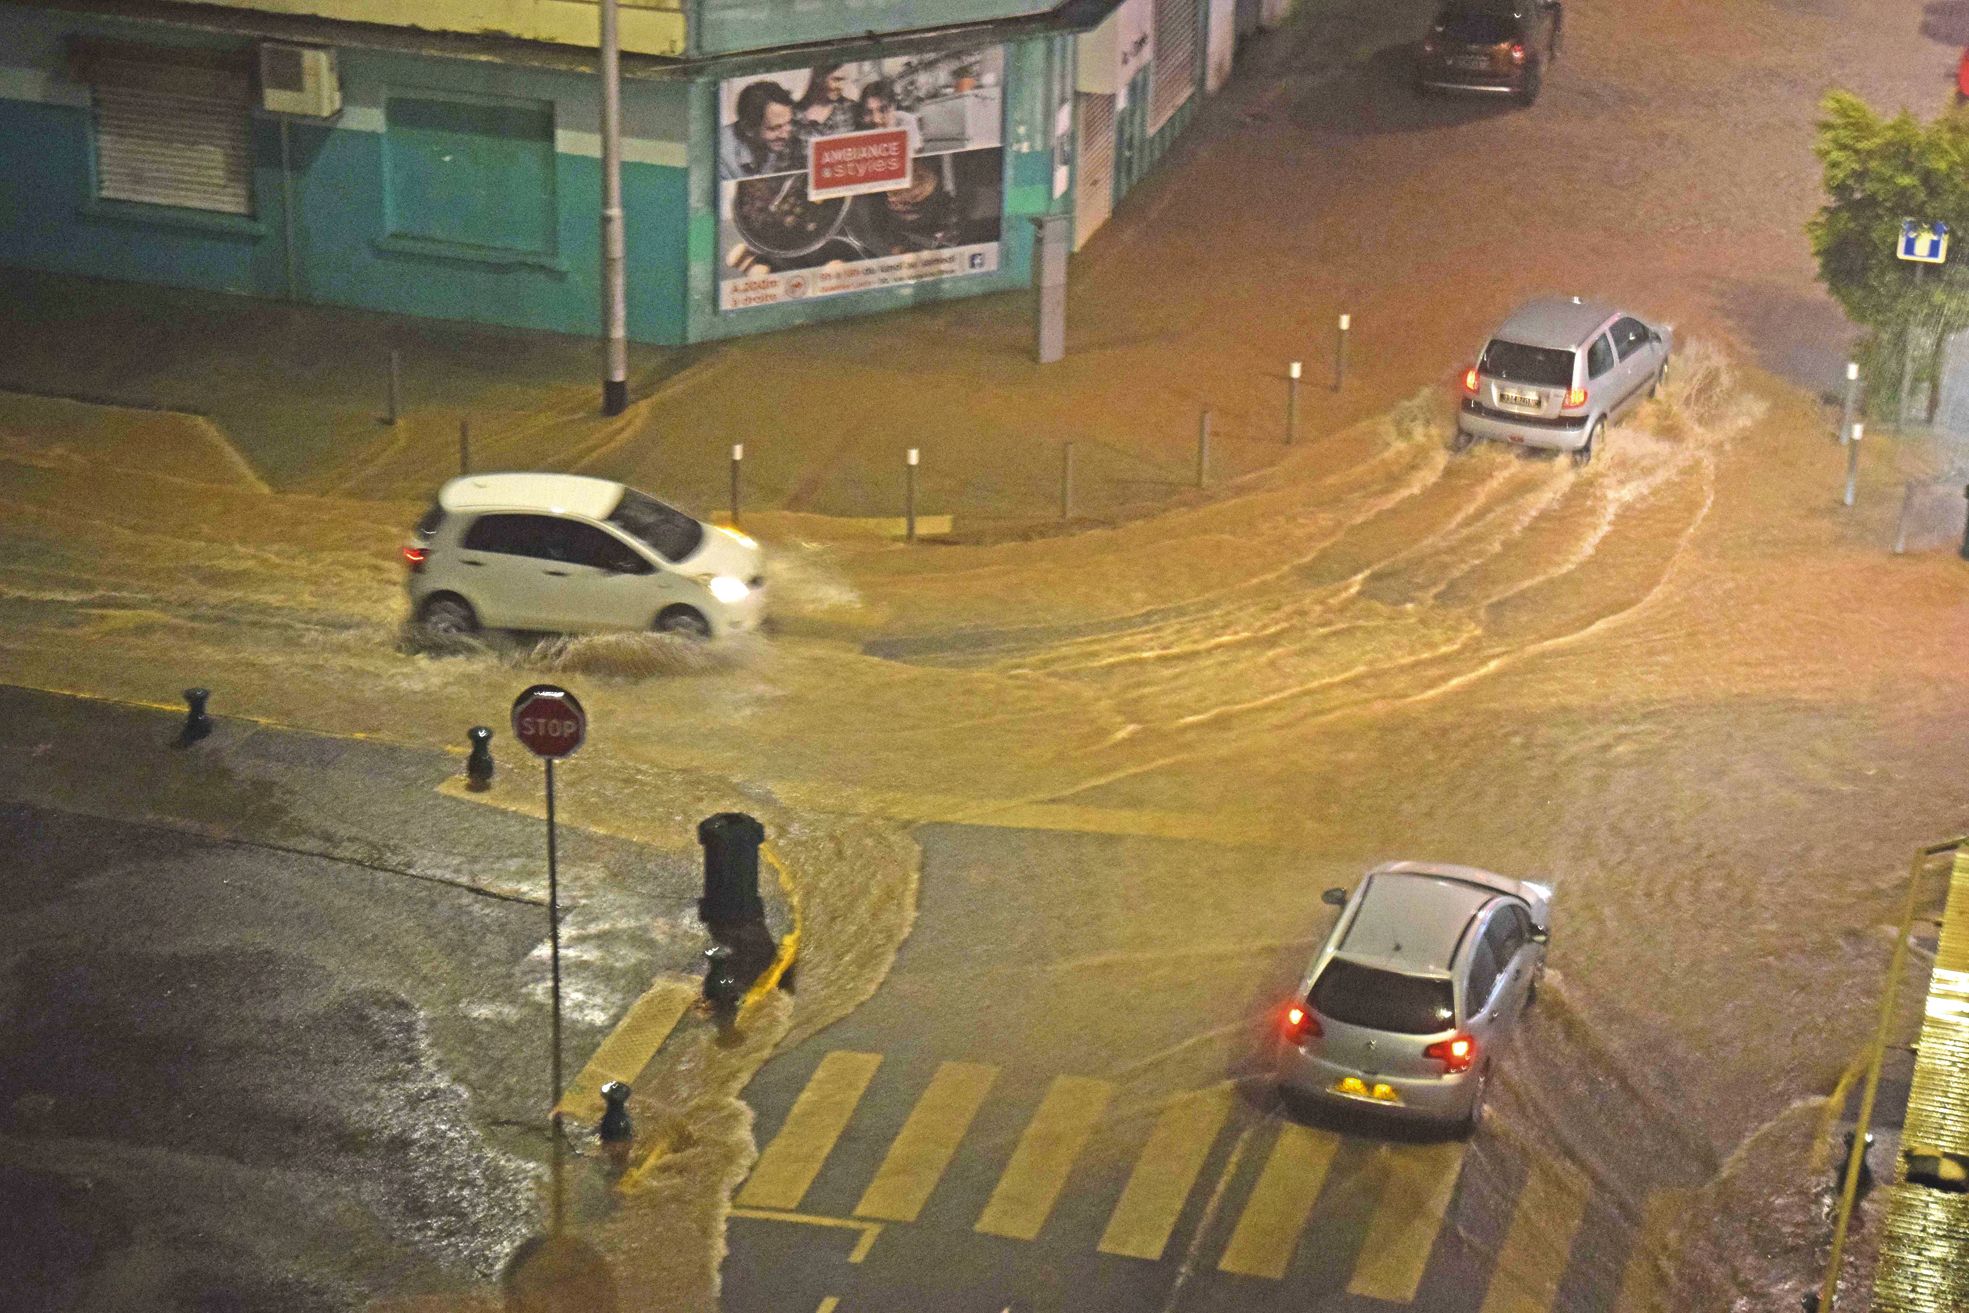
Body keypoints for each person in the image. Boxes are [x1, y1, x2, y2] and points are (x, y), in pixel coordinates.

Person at [718, 80, 797, 180]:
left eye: (788, 123)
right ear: (748, 128)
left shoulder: (789, 138)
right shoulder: (720, 156)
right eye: (774, 128)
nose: (785, 135)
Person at [795, 64, 860, 139]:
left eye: (843, 81)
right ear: (819, 78)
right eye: (836, 80)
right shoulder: (796, 113)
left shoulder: (850, 108)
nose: (841, 87)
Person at [856, 80, 921, 153]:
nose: (876, 119)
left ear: (894, 105)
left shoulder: (906, 120)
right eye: (869, 112)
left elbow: (912, 156)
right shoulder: (863, 126)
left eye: (882, 110)